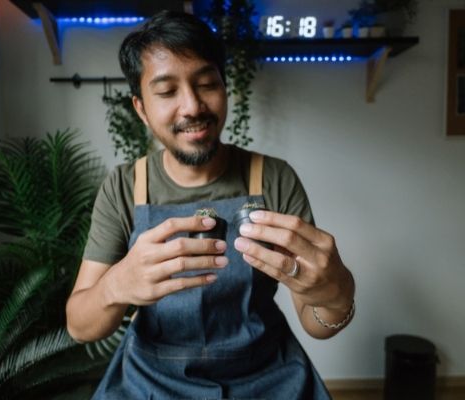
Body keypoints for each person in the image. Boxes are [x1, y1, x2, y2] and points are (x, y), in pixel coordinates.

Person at [66, 10, 355, 399]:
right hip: (151, 382)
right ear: (141, 109)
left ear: (224, 87)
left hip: (267, 377)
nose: (192, 107)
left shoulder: (272, 178)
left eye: (206, 84)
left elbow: (316, 321)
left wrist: (335, 293)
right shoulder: (124, 187)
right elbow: (80, 326)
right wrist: (117, 285)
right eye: (167, 92)